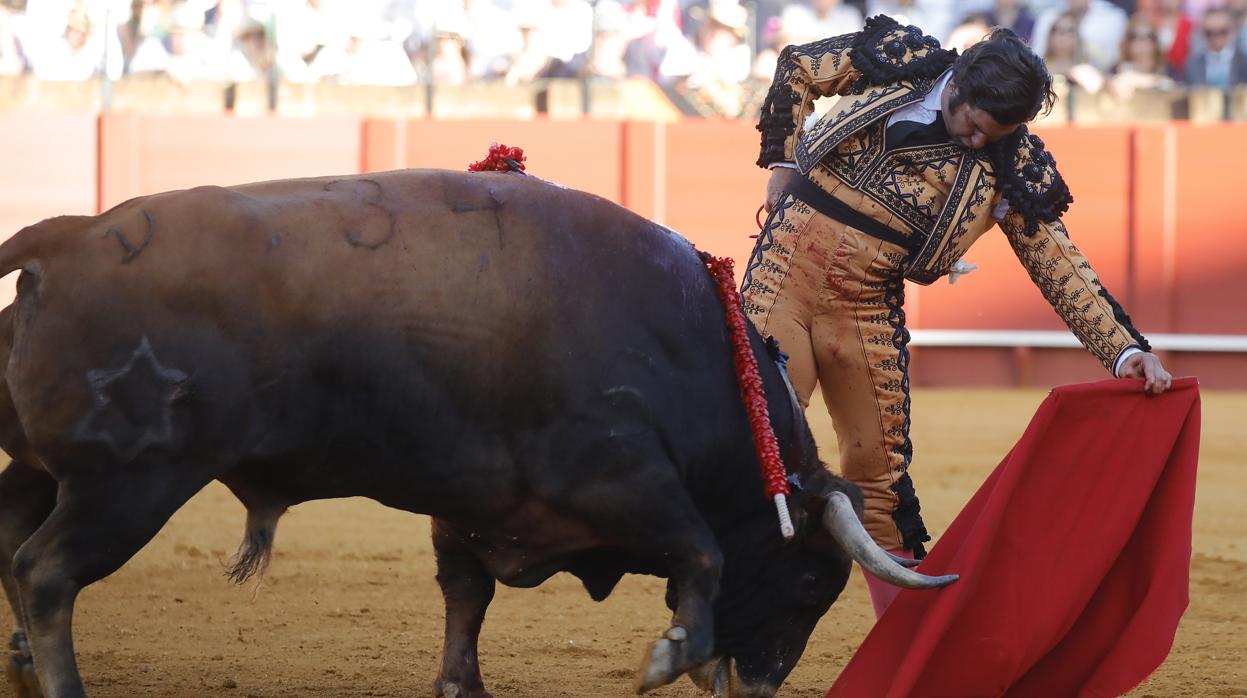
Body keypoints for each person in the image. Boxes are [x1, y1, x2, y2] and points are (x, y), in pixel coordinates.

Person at [748, 15, 1172, 617]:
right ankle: (722, 611)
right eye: (972, 125)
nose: (976, 142)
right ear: (958, 85)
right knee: (759, 447)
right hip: (782, 276)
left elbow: (1058, 262)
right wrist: (783, 163)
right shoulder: (899, 58)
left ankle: (906, 642)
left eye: (993, 134)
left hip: (864, 306)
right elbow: (798, 67)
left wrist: (1125, 349)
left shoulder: (1010, 160)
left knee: (878, 476)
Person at [1184, 6, 1247, 89]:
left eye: (1222, 31)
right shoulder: (1193, 64)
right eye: (1209, 33)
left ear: (1233, 29)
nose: (1216, 37)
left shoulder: (1243, 61)